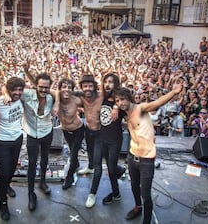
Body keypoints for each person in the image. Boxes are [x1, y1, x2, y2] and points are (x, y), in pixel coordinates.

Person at [114, 81, 183, 223]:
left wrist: (173, 93)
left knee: (145, 193)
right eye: (117, 101)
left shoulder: (140, 108)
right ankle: (137, 207)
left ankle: (146, 220)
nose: (120, 103)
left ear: (129, 98)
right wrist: (115, 110)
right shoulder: (125, 114)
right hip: (132, 156)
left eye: (122, 99)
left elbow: (157, 103)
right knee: (134, 186)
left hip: (146, 159)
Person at [85, 73, 126, 208]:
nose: (107, 84)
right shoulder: (102, 97)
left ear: (116, 84)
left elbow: (132, 107)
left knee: (111, 169)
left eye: (111, 82)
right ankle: (92, 193)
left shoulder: (121, 101)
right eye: (105, 82)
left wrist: (116, 106)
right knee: (98, 167)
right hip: (101, 138)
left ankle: (116, 193)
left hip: (114, 140)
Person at [21, 72, 55, 211]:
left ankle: (42, 182)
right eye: (40, 87)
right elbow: (8, 88)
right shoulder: (27, 94)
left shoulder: (52, 97)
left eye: (46, 87)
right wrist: (5, 94)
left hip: (47, 131)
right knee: (32, 162)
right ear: (35, 86)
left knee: (45, 158)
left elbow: (60, 93)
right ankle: (31, 193)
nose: (43, 90)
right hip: (32, 133)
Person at [0, 77, 25, 220]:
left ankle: (6, 186)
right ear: (9, 89)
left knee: (12, 169)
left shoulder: (21, 98)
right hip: (2, 142)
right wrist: (5, 92)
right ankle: (3, 203)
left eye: (20, 89)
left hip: (17, 139)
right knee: (4, 172)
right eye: (14, 90)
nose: (18, 92)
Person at [56, 78, 85, 190]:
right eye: (64, 87)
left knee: (73, 154)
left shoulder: (76, 100)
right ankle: (76, 164)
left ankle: (69, 177)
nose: (66, 90)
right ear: (59, 89)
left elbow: (92, 101)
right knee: (71, 150)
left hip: (78, 129)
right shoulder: (56, 97)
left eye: (69, 87)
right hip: (65, 130)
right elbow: (37, 85)